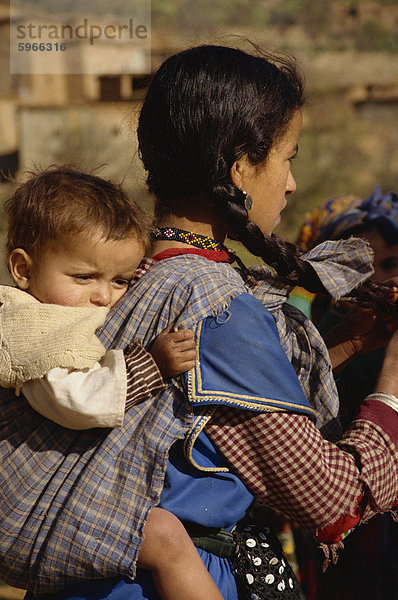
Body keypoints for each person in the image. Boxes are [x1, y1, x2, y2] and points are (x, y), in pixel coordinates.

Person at [3, 45, 397, 600]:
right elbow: (332, 501)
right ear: (240, 167)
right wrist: (393, 384)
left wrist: (348, 344)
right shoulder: (211, 301)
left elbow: (215, 413)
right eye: (287, 158)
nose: (289, 183)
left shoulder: (127, 275)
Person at [0, 166, 224, 600]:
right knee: (163, 536)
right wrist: (150, 367)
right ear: (23, 270)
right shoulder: (29, 328)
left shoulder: (64, 308)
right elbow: (76, 398)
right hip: (22, 509)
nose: (104, 296)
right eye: (84, 277)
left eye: (120, 280)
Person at [292, 187, 398, 599]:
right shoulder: (308, 329)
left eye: (390, 264)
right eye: (358, 268)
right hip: (343, 493)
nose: (378, 282)